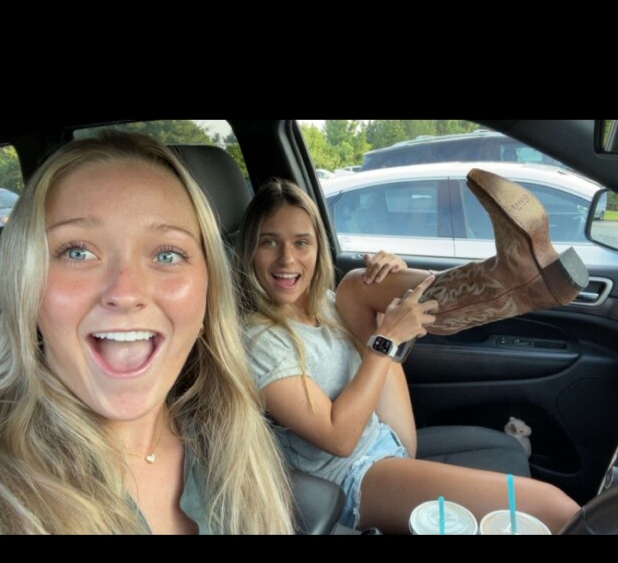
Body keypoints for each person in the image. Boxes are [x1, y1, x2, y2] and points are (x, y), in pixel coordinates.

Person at [0, 133, 293, 535]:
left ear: (208, 292)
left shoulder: (232, 433)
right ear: (24, 286)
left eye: (167, 254)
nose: (126, 292)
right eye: (77, 252)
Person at [235, 175, 586, 535]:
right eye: (269, 242)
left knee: (358, 285)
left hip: (383, 436)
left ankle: (506, 278)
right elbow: (339, 439)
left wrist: (392, 292)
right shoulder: (258, 340)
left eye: (301, 242)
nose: (287, 258)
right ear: (249, 250)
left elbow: (387, 360)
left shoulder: (323, 301)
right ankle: (516, 280)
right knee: (555, 508)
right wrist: (386, 339)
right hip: (350, 479)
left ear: (317, 247)